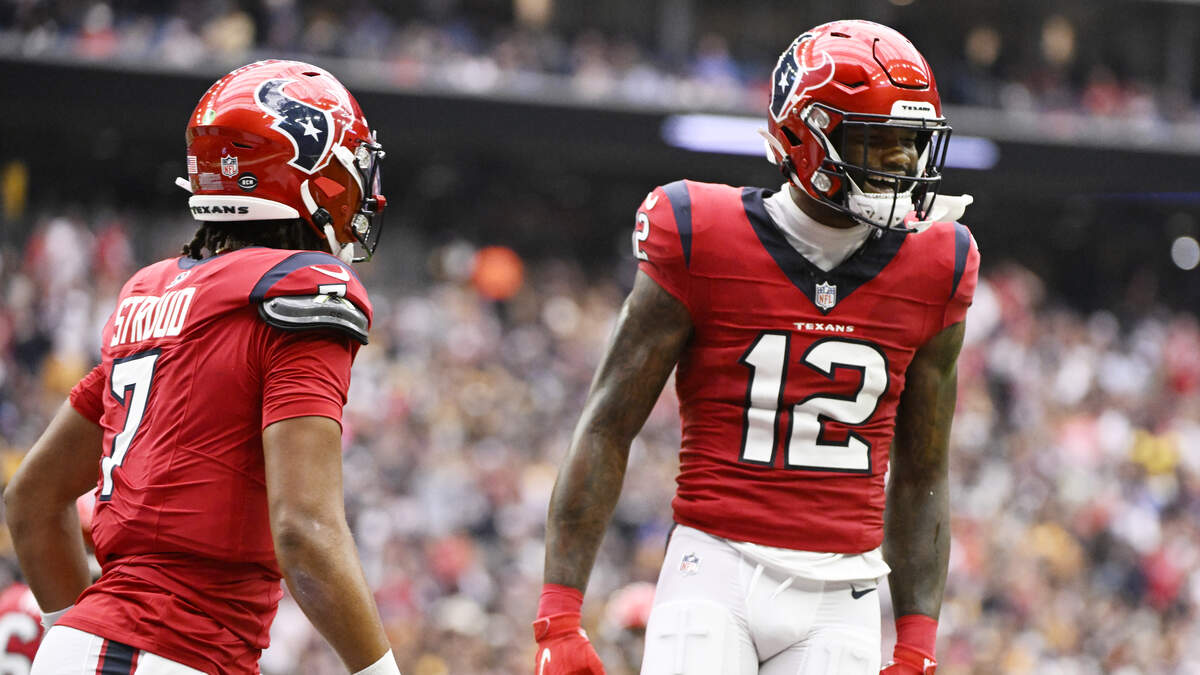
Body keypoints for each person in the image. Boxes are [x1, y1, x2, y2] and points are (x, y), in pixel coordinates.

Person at [535, 20, 978, 675]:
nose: (904, 164)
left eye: (910, 143)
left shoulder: (939, 262)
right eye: (878, 141)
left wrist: (916, 643)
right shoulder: (700, 233)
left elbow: (921, 475)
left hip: (843, 590)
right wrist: (558, 616)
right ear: (806, 134)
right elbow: (607, 423)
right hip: (714, 566)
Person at [4, 60, 400, 675]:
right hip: (163, 653)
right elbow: (304, 530)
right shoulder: (300, 287)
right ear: (303, 171)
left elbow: (32, 500)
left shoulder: (153, 291)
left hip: (112, 650)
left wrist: (77, 637)